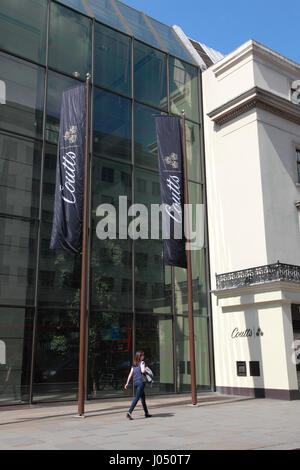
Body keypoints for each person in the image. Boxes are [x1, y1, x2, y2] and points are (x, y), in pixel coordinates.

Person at [124, 350, 152, 420]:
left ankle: (146, 413)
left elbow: (130, 374)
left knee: (143, 398)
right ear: (140, 356)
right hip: (141, 382)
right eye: (143, 355)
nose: (144, 356)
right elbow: (142, 371)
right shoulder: (142, 362)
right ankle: (129, 412)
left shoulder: (134, 364)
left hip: (135, 382)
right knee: (137, 397)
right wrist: (145, 370)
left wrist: (127, 383)